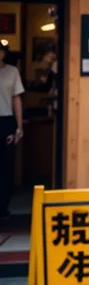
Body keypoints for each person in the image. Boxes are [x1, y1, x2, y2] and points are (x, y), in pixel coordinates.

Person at [0, 42, 24, 220]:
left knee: (5, 165)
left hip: (6, 120)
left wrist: (19, 126)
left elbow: (16, 99)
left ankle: (3, 206)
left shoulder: (12, 72)